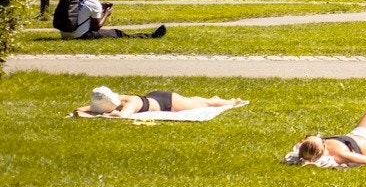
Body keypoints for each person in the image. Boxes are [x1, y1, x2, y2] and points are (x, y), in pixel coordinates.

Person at [51, 0, 166, 39]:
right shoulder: (93, 2)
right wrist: (106, 13)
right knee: (117, 33)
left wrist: (100, 6)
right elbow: (96, 28)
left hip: (64, 32)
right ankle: (151, 36)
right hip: (79, 35)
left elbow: (82, 8)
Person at [76, 85, 244, 117]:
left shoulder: (129, 104)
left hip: (167, 102)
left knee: (203, 104)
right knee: (194, 101)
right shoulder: (121, 99)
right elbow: (83, 108)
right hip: (156, 97)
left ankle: (230, 102)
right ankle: (214, 99)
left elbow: (121, 116)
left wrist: (107, 113)